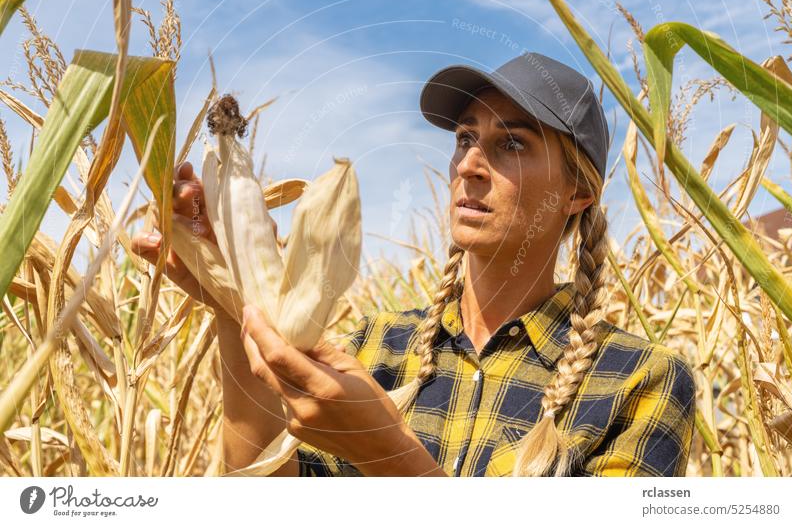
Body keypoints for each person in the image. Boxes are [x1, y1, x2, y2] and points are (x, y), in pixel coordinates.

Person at [132, 52, 696, 477]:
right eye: (465, 138)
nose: (469, 164)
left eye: (513, 145)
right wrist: (234, 294)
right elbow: (260, 489)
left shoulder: (639, 381)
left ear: (578, 193)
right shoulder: (374, 349)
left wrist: (386, 452)